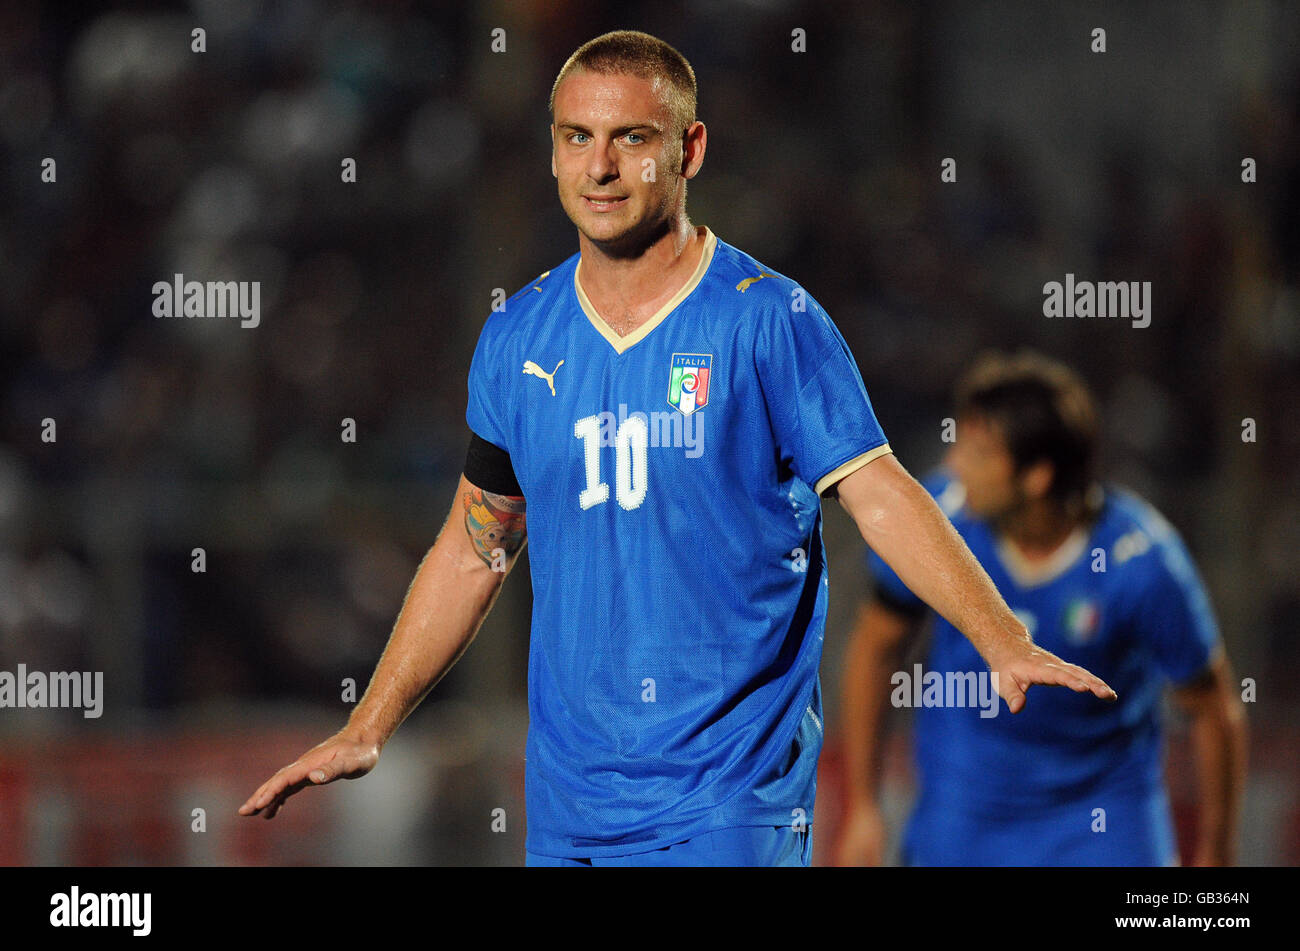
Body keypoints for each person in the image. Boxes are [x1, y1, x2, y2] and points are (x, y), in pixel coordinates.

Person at [239, 31, 1115, 866]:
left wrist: (1000, 637)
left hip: (726, 804)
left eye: (631, 138)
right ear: (552, 151)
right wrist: (370, 726)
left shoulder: (770, 320)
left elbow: (877, 491)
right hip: (569, 810)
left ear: (690, 150)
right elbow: (477, 547)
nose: (600, 165)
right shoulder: (517, 337)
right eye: (577, 137)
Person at [835, 350, 1247, 867]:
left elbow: (1214, 710)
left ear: (1036, 477)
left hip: (1100, 824)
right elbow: (876, 648)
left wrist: (1217, 854)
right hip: (963, 818)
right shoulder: (934, 519)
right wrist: (864, 808)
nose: (956, 465)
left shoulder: (1142, 563)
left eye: (981, 454)